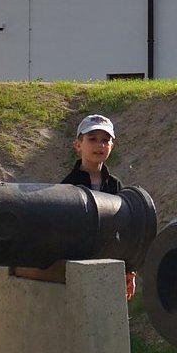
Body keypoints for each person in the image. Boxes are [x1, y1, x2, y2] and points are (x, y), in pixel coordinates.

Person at [63, 113, 137, 299]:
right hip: (77, 268)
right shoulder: (67, 187)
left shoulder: (116, 186)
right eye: (92, 139)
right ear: (78, 145)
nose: (100, 145)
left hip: (109, 267)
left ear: (112, 146)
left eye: (105, 140)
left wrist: (129, 270)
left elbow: (125, 231)